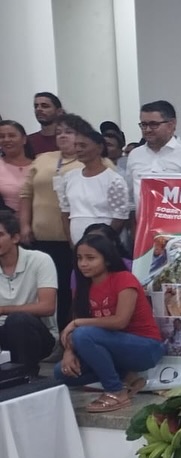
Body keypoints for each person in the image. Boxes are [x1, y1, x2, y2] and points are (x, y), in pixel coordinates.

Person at [55, 226, 163, 412]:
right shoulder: (83, 287)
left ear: (107, 259)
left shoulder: (124, 279)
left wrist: (77, 322)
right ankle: (128, 376)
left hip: (145, 348)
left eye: (91, 258)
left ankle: (116, 391)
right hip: (112, 348)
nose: (83, 264)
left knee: (83, 334)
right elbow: (77, 333)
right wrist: (69, 353)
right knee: (61, 372)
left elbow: (119, 321)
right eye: (79, 258)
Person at [19, 114, 91, 333]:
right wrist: (24, 225)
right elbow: (26, 194)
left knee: (73, 291)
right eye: (59, 132)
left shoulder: (90, 160)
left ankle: (71, 336)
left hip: (76, 241)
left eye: (68, 132)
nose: (62, 136)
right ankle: (51, 338)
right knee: (49, 289)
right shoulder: (42, 158)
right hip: (42, 238)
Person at [0, 211, 57, 376]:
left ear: (15, 238)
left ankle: (26, 376)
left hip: (36, 332)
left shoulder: (40, 260)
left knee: (18, 321)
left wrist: (3, 310)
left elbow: (47, 307)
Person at [126, 100, 181, 214]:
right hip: (143, 227)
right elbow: (130, 197)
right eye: (144, 125)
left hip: (178, 226)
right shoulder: (135, 155)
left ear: (171, 124)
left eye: (153, 124)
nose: (147, 130)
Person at [58, 127, 129, 245]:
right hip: (76, 244)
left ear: (100, 148)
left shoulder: (113, 179)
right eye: (76, 145)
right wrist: (71, 240)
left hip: (104, 244)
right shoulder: (69, 177)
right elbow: (65, 212)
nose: (78, 149)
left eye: (83, 146)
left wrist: (103, 240)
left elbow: (120, 216)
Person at [0, 121, 35, 213]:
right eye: (2, 137)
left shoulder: (38, 165)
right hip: (5, 224)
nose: (6, 139)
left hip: (38, 222)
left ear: (24, 139)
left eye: (11, 135)